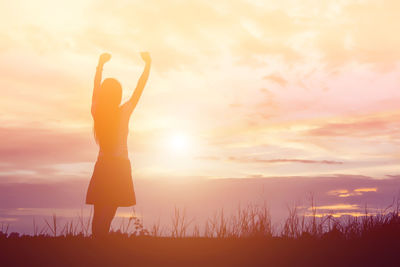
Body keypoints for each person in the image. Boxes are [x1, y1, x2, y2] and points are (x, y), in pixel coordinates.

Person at [86, 52, 151, 238]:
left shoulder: (97, 112)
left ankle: (97, 246)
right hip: (119, 167)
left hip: (104, 166)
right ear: (117, 95)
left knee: (100, 213)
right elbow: (139, 89)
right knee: (107, 214)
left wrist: (100, 65)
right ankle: (100, 247)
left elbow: (95, 89)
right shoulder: (123, 112)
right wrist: (148, 65)